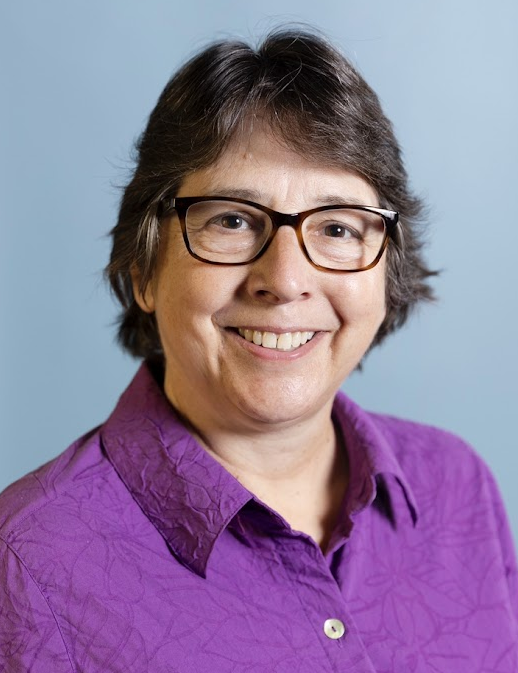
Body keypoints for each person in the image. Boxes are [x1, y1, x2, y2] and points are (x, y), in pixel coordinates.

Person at [1, 28, 517, 673]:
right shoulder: (30, 561)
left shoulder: (455, 487)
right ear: (143, 268)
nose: (285, 279)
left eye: (336, 227)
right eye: (232, 220)